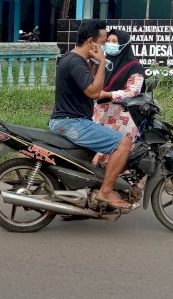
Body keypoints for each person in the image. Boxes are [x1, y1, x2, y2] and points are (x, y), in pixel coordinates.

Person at [48, 20, 133, 210]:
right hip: (72, 122)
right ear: (90, 42)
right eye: (103, 42)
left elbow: (85, 85)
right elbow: (94, 93)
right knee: (124, 143)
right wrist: (102, 62)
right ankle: (105, 192)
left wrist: (94, 64)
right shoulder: (76, 62)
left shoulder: (74, 59)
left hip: (70, 120)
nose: (105, 47)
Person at [92, 29, 146, 165]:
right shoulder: (105, 63)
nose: (110, 44)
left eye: (115, 42)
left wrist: (108, 94)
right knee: (97, 152)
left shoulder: (134, 67)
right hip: (101, 114)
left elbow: (133, 92)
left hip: (122, 117)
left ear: (124, 44)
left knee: (119, 153)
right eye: (108, 41)